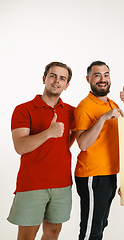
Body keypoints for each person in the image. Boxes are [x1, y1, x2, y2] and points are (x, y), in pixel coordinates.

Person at [8, 61, 75, 240]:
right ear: (44, 78)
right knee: (27, 236)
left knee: (52, 233)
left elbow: (71, 140)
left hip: (62, 184)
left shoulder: (71, 112)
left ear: (67, 85)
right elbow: (20, 147)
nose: (56, 81)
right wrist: (48, 133)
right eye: (53, 76)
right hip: (32, 183)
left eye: (62, 78)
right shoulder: (23, 109)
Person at [75, 61, 124, 240]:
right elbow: (83, 144)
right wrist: (103, 118)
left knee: (101, 226)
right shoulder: (85, 106)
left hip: (110, 173)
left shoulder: (112, 103)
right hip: (92, 175)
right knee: (91, 231)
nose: (102, 79)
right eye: (97, 75)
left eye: (106, 74)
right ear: (88, 79)